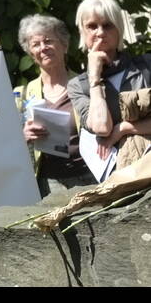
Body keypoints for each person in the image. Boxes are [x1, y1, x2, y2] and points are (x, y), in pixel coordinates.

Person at [67, 0, 151, 174]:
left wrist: (124, 129)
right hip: (119, 183)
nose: (100, 33)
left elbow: (112, 130)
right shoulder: (77, 85)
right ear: (82, 31)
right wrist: (95, 78)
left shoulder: (147, 66)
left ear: (119, 29)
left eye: (107, 26)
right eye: (92, 26)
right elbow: (102, 128)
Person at [16, 14, 90, 196]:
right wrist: (23, 136)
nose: (43, 48)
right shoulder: (22, 95)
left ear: (64, 45)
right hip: (49, 184)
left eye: (48, 41)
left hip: (89, 177)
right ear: (31, 54)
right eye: (36, 44)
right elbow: (7, 143)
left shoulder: (87, 85)